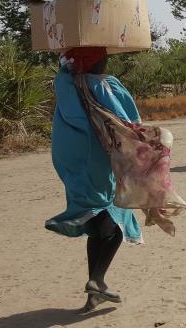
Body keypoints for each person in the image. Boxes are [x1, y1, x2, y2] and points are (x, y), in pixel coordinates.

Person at [46, 46, 142, 313]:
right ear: (98, 63)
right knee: (115, 223)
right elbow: (127, 121)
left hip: (71, 163)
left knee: (96, 219)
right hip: (97, 161)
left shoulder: (64, 82)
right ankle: (97, 279)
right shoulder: (103, 85)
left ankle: (94, 294)